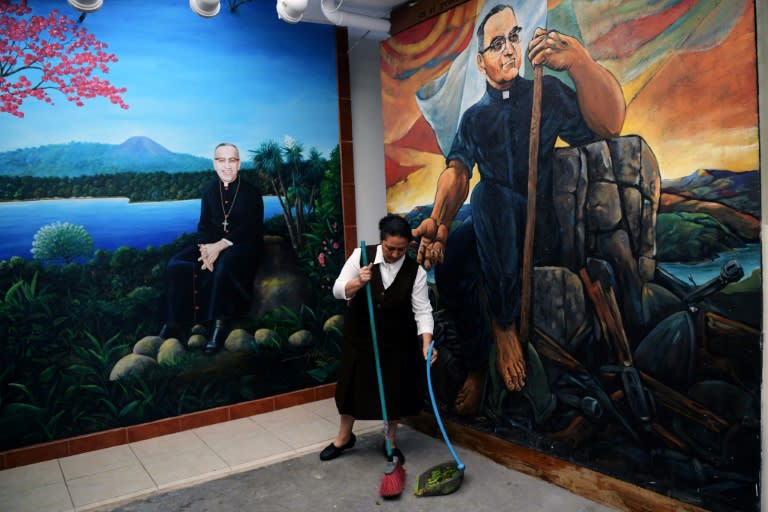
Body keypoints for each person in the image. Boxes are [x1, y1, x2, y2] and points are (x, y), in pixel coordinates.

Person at [412, 4, 625, 416]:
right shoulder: (474, 119)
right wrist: (438, 222)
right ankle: (477, 367)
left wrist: (579, 62)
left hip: (540, 227)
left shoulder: (546, 94)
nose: (510, 49)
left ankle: (504, 327)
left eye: (514, 36)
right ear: (481, 61)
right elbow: (457, 173)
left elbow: (610, 124)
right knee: (456, 252)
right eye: (496, 43)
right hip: (494, 223)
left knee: (488, 197)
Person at [320, 214, 437, 462]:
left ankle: (390, 441)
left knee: (393, 389)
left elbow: (423, 310)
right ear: (381, 241)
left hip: (397, 339)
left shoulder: (414, 272)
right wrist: (357, 282)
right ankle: (344, 438)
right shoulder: (361, 256)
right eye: (390, 248)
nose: (395, 254)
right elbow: (338, 290)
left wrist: (426, 342)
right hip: (361, 336)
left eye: (401, 249)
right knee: (351, 388)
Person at [160, 142, 264, 354]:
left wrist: (219, 246)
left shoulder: (251, 192)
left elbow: (250, 228)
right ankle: (176, 321)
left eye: (232, 160)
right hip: (212, 245)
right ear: (214, 163)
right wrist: (205, 249)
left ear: (239, 164)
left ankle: (219, 324)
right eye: (221, 160)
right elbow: (204, 225)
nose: (227, 166)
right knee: (176, 264)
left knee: (224, 264)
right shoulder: (209, 190)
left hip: (243, 245)